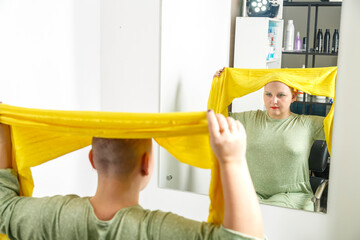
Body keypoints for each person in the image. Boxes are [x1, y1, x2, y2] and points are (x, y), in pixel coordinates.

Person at [0, 109, 265, 239]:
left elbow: (3, 204)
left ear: (92, 159)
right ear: (147, 164)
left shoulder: (55, 218)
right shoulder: (154, 231)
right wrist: (232, 160)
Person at [214, 68, 326, 211]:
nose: (273, 100)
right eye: (268, 94)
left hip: (293, 196)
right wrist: (220, 86)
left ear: (293, 96)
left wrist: (343, 86)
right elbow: (217, 118)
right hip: (251, 193)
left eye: (281, 95)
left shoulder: (308, 124)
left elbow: (341, 124)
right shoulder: (250, 119)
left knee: (263, 215)